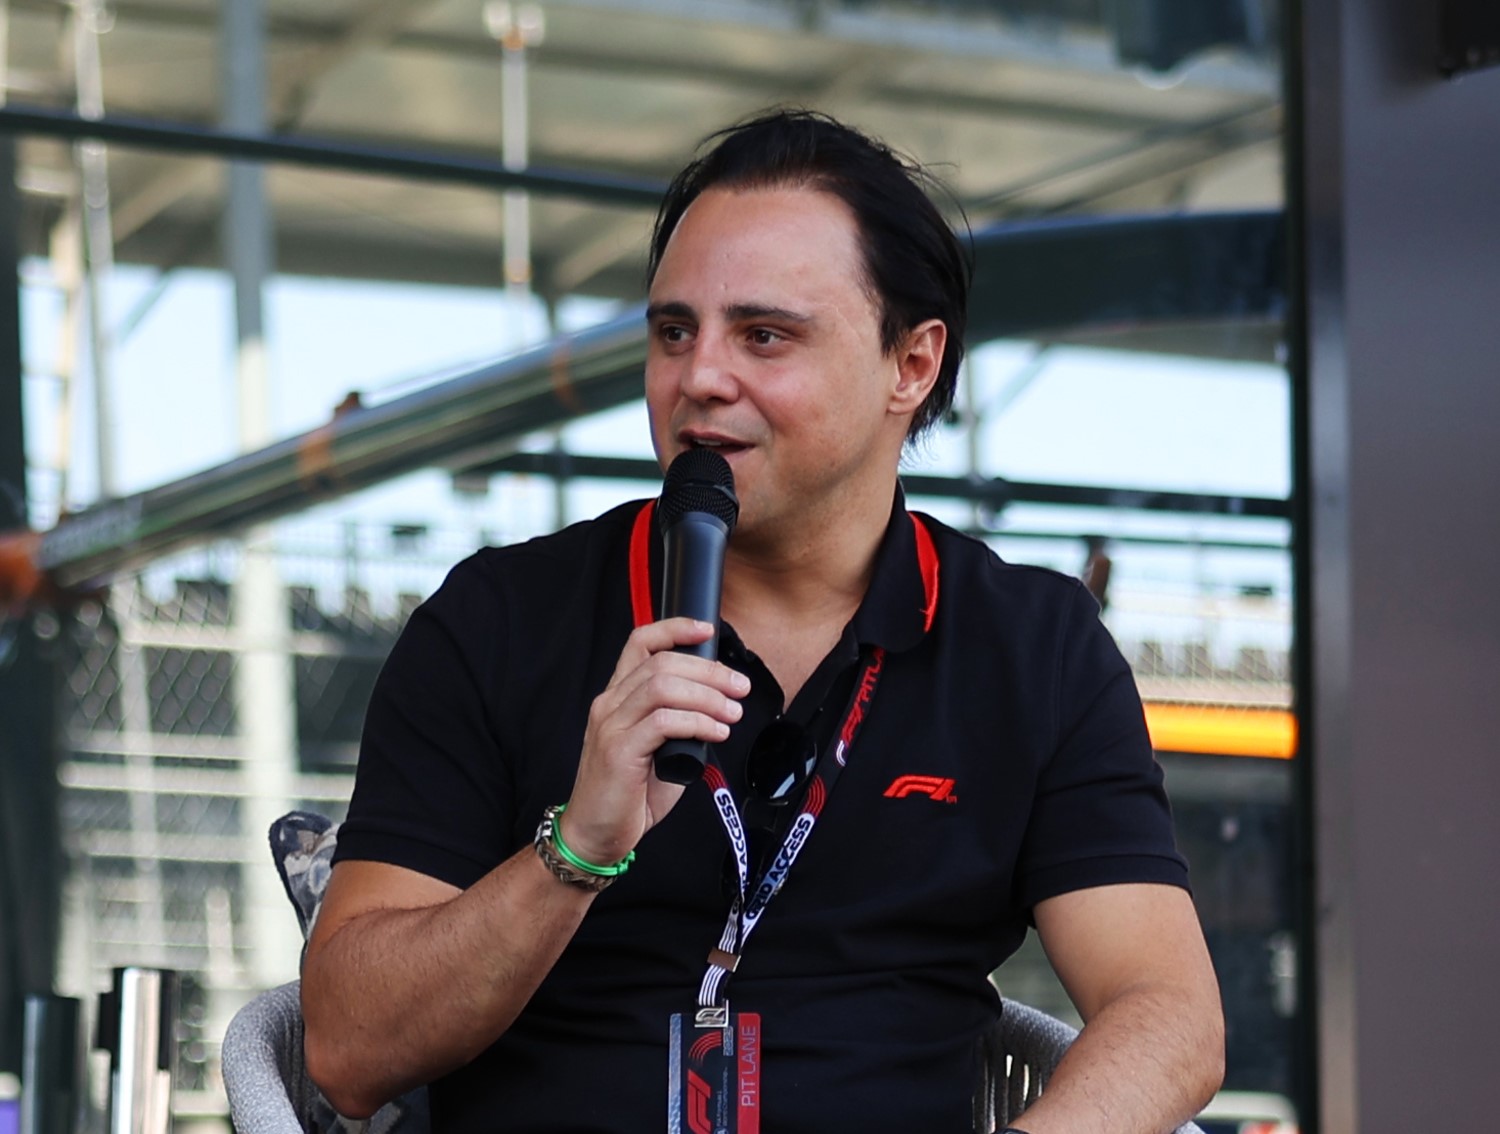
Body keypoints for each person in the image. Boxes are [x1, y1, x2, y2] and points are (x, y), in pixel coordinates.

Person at [302, 109, 1224, 1133]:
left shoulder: (1029, 646)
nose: (699, 377)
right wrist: (576, 852)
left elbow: (1170, 1014)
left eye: (764, 334)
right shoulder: (502, 620)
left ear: (910, 366)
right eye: (673, 332)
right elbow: (346, 1051)